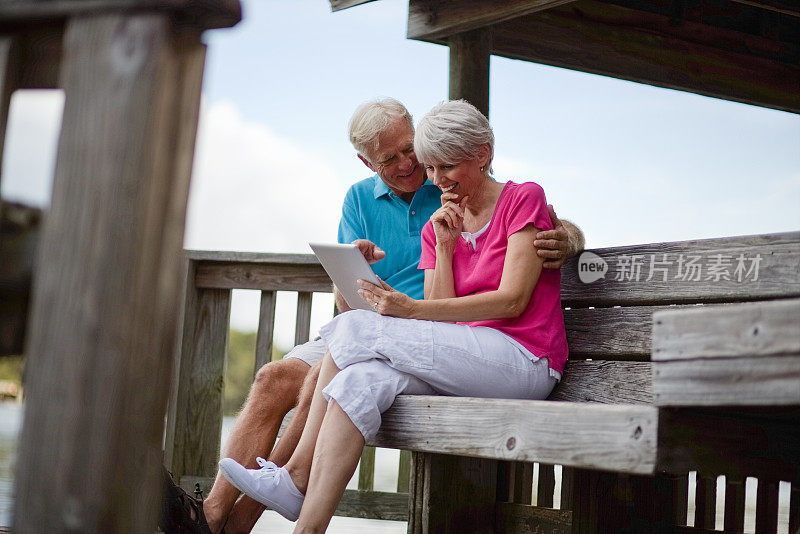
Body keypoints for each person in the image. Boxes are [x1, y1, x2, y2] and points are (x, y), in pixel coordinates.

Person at [160, 98, 583, 534]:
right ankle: (301, 525)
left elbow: (518, 277)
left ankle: (292, 478)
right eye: (400, 160)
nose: (424, 173)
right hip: (441, 342)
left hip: (501, 352)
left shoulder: (493, 187)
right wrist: (434, 249)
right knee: (349, 382)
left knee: (352, 333)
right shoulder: (416, 212)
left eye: (417, 156)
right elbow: (410, 313)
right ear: (367, 162)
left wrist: (570, 237)